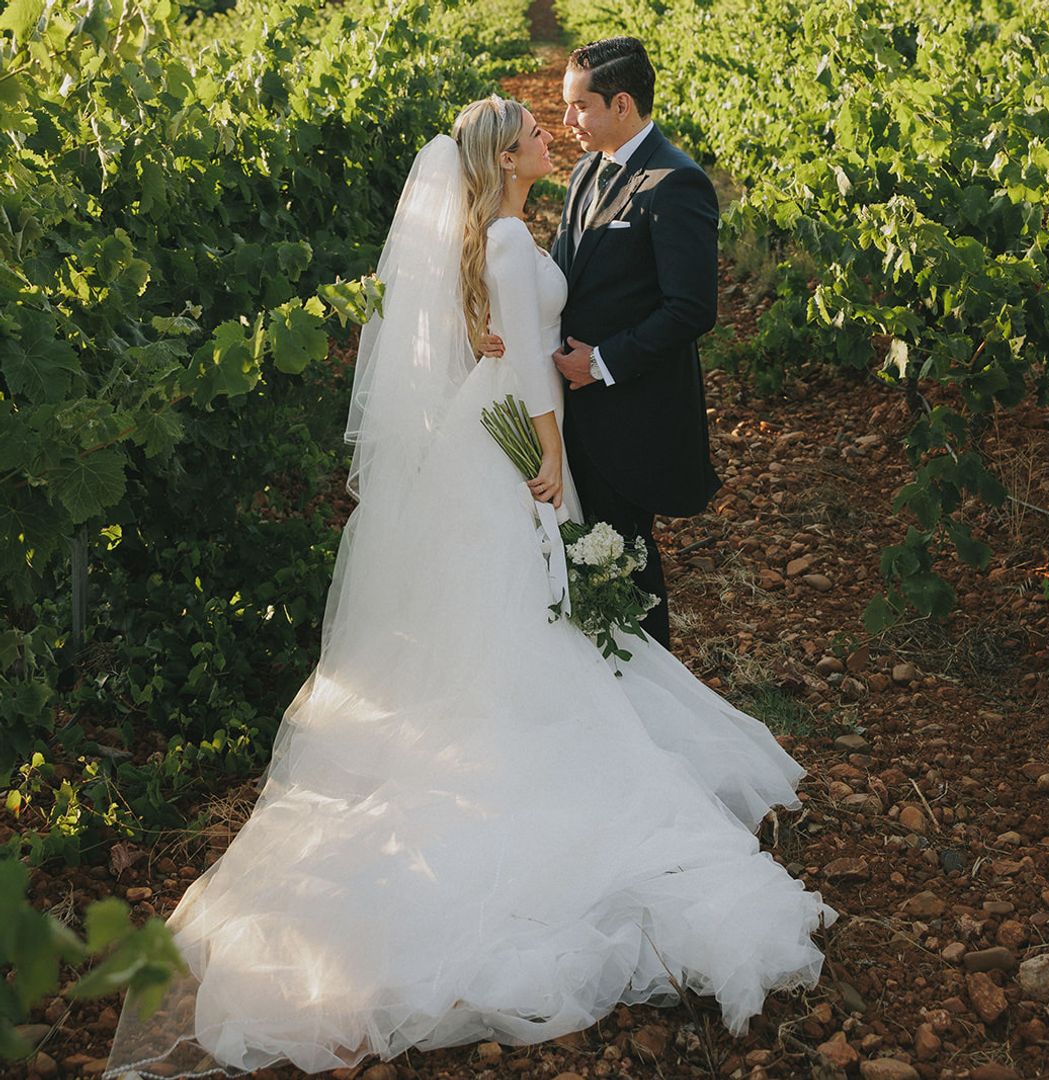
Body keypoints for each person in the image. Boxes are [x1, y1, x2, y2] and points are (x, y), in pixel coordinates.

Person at [103, 95, 836, 1080]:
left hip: (494, 429)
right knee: (517, 608)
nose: (548, 135)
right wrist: (545, 455)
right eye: (534, 132)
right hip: (511, 440)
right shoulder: (498, 240)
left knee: (517, 607)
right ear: (507, 155)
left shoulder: (502, 232)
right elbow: (530, 363)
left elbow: (504, 336)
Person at [483, 37, 720, 649]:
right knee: (591, 565)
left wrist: (604, 362)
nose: (565, 123)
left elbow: (691, 308)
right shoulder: (589, 169)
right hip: (571, 412)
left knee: (632, 571)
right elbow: (561, 280)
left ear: (621, 105)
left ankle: (656, 709)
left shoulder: (678, 183)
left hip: (629, 415)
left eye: (577, 107)